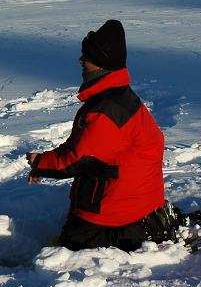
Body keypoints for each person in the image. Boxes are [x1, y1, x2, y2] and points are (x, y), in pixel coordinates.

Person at [26, 19, 176, 252]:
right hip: (135, 208)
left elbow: (76, 160)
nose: (81, 60)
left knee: (65, 249)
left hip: (116, 220)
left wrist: (40, 163)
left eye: (87, 56)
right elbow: (83, 147)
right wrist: (44, 164)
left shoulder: (107, 110)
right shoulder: (116, 97)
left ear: (101, 63)